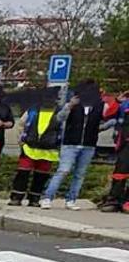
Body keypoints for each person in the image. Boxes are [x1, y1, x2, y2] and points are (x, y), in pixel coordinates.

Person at [41, 80, 111, 210]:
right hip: (70, 143)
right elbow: (59, 118)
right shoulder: (73, 104)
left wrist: (101, 128)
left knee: (80, 174)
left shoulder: (101, 105)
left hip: (89, 145)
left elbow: (106, 121)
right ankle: (47, 197)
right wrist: (69, 106)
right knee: (63, 170)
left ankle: (71, 199)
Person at [8, 88, 61, 207]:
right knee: (23, 174)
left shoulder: (60, 112)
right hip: (29, 147)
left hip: (49, 150)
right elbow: (21, 124)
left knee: (41, 177)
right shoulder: (33, 110)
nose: (49, 100)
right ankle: (16, 197)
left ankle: (34, 199)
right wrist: (20, 141)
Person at [98, 91, 129, 213]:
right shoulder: (125, 105)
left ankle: (126, 201)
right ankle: (113, 201)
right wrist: (116, 102)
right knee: (120, 173)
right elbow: (108, 115)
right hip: (125, 144)